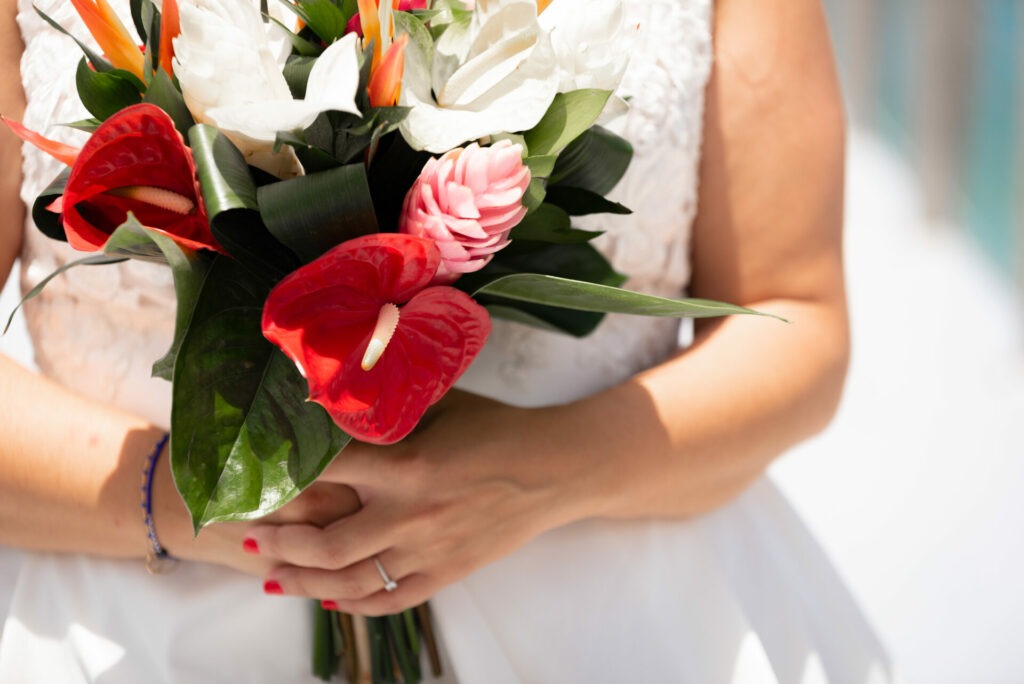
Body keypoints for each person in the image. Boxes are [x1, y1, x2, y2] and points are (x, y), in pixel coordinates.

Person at [0, 0, 896, 681]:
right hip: (133, 624)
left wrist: (542, 471)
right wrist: (201, 502)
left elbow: (799, 323)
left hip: (618, 611)